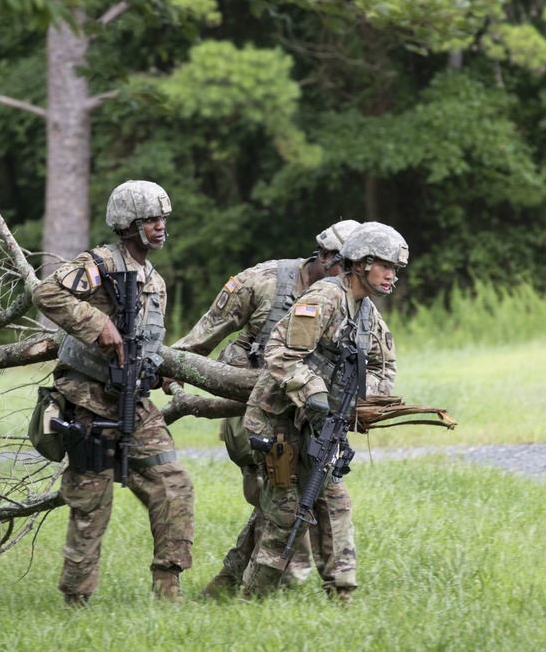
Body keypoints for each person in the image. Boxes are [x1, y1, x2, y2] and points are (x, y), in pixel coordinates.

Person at [168, 220, 361, 597]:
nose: (353, 276)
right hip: (256, 408)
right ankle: (271, 573)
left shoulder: (354, 300)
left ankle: (246, 578)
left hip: (309, 413)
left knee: (291, 496)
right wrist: (168, 368)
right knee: (270, 491)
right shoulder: (263, 282)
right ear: (325, 258)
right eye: (346, 266)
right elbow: (204, 334)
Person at [31, 180, 194, 606]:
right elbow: (45, 292)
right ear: (128, 225)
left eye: (163, 219)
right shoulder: (98, 263)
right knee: (91, 504)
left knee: (172, 484)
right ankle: (76, 600)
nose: (161, 227)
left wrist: (159, 373)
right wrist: (95, 323)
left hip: (134, 403)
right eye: (151, 220)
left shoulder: (153, 279)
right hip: (87, 400)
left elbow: (148, 342)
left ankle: (168, 586)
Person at [240, 221, 407, 602]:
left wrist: (359, 404)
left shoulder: (366, 313)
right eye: (385, 266)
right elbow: (280, 354)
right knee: (284, 514)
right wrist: (313, 391)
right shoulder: (324, 298)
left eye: (395, 269)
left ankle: (342, 595)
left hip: (322, 426)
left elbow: (385, 366)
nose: (391, 275)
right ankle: (251, 600)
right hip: (278, 419)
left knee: (335, 502)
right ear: (362, 263)